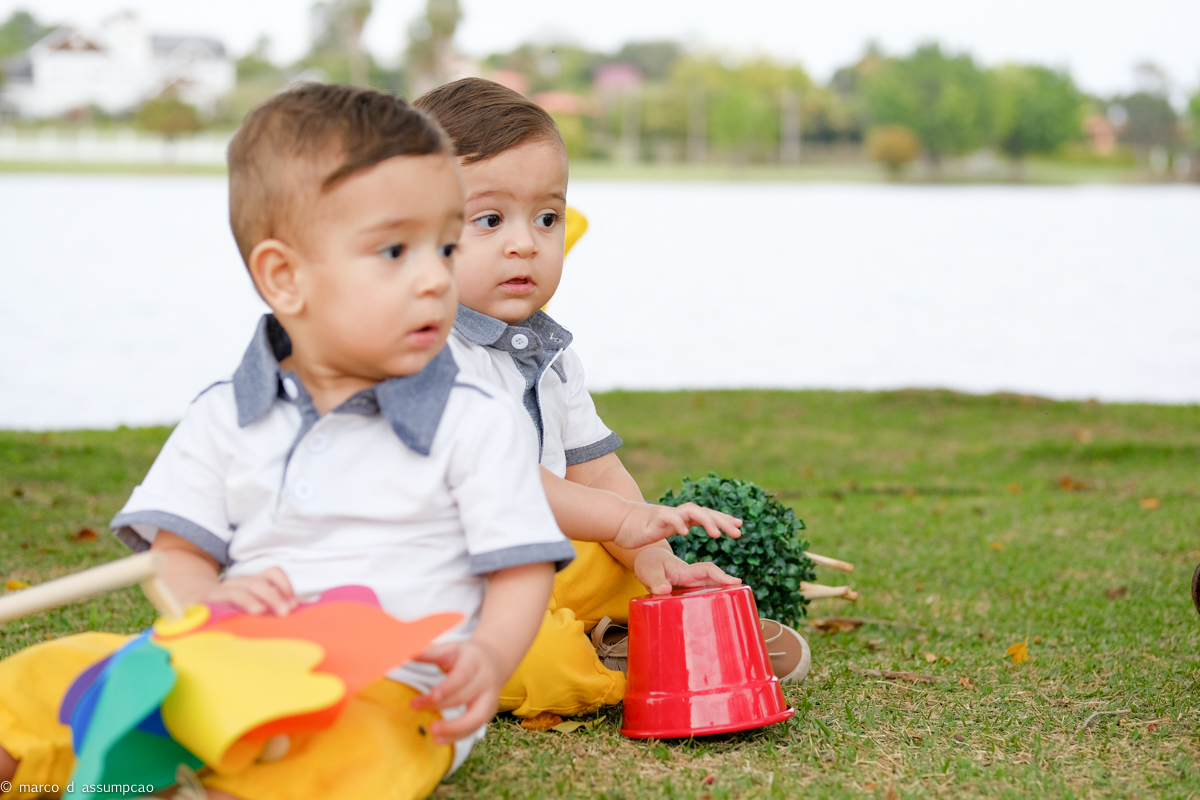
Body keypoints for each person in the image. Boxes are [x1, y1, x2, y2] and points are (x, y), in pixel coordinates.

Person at [0, 84, 592, 800]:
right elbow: (177, 553)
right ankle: (50, 755)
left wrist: (490, 657)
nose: (435, 278)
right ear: (285, 277)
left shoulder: (476, 419)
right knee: (56, 676)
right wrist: (210, 600)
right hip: (229, 660)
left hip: (394, 689)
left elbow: (521, 567)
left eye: (444, 245)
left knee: (347, 751)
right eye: (395, 250)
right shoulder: (225, 414)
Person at [413, 78, 810, 721]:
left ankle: (654, 628)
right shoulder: (423, 356)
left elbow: (593, 470)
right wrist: (621, 523)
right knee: (537, 661)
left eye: (547, 217)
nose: (526, 243)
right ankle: (617, 666)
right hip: (448, 587)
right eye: (490, 219)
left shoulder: (550, 352)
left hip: (537, 564)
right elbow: (500, 486)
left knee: (625, 568)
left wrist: (649, 549)